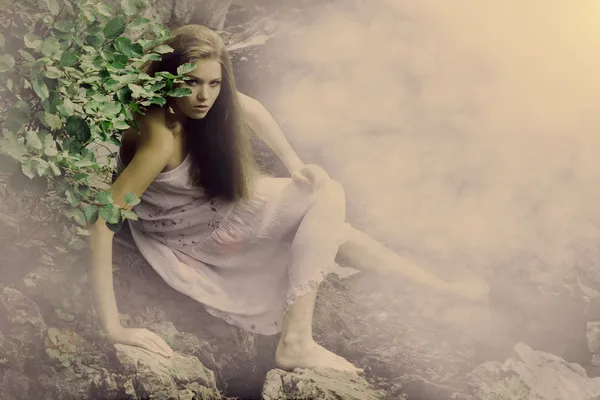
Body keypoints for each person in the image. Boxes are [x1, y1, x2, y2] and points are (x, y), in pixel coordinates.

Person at [89, 24, 489, 374]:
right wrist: (114, 328)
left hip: (207, 203)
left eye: (213, 83)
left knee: (329, 217)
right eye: (192, 82)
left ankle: (440, 289)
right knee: (328, 199)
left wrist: (294, 162)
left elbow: (251, 108)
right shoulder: (160, 135)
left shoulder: (204, 101)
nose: (204, 96)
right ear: (168, 78)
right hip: (187, 229)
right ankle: (297, 342)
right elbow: (102, 221)